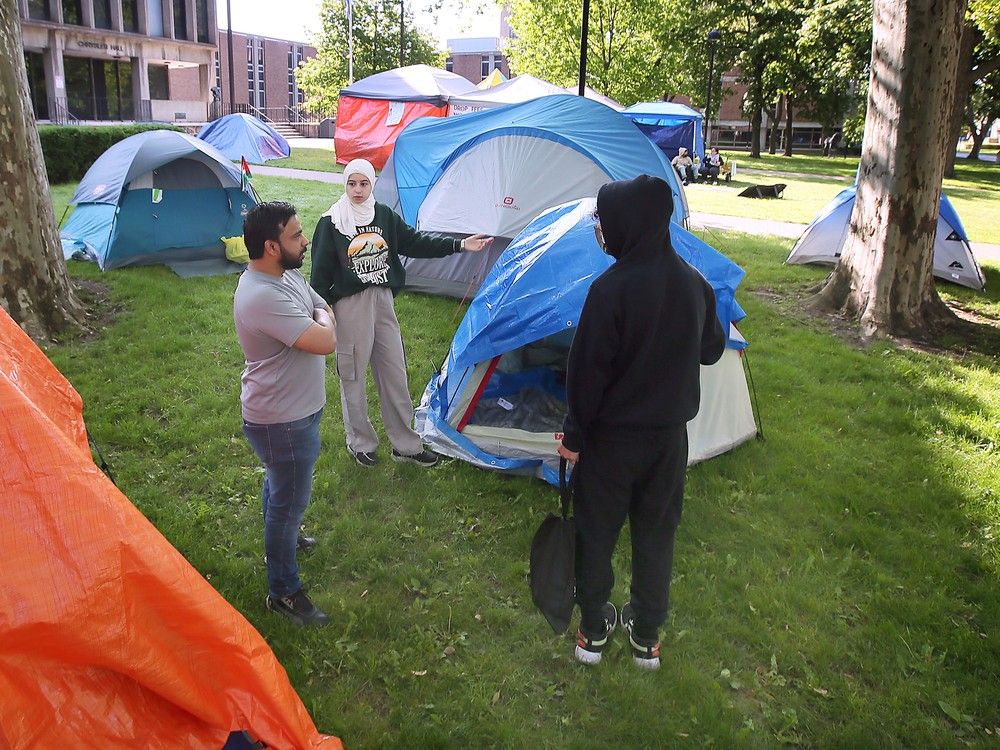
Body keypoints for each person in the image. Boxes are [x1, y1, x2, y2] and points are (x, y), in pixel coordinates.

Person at [557, 174, 726, 670]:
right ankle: (647, 635)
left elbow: (585, 375)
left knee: (597, 531)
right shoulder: (693, 283)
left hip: (611, 444)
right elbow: (713, 350)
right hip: (668, 442)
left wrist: (574, 435)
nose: (600, 230)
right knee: (657, 533)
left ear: (627, 226)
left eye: (603, 222)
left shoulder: (609, 290)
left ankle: (592, 629)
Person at [310, 158, 493, 468]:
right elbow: (319, 276)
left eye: (364, 183)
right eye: (352, 183)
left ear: (372, 185)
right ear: (345, 184)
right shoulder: (332, 222)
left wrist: (460, 245)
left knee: (394, 369)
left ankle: (405, 445)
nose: (357, 190)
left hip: (382, 301)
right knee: (352, 374)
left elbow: (414, 242)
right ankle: (361, 443)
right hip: (350, 305)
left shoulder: (384, 216)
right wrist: (326, 309)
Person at [235, 201, 337, 627]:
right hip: (282, 420)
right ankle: (283, 591)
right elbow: (325, 339)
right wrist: (321, 320)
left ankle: (285, 538)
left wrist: (320, 317)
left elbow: (321, 305)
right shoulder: (262, 295)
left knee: (280, 488)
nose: (305, 240)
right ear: (271, 247)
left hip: (294, 413)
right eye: (296, 235)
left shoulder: (285, 273)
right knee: (287, 502)